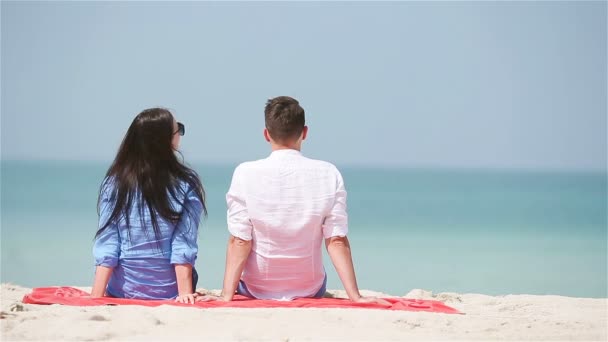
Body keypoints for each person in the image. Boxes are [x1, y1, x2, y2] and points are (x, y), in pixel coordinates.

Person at [208, 96, 387, 303]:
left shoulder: (244, 173)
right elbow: (336, 240)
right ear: (305, 132)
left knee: (244, 277)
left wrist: (226, 296)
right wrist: (355, 296)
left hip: (256, 288)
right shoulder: (329, 173)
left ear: (266, 134)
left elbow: (240, 240)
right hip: (310, 288)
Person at [91, 108, 206, 304]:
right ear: (165, 140)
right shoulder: (186, 181)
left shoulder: (114, 182)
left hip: (123, 290)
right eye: (178, 129)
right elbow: (183, 243)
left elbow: (108, 242)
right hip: (168, 290)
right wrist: (185, 294)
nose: (180, 134)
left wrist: (96, 296)